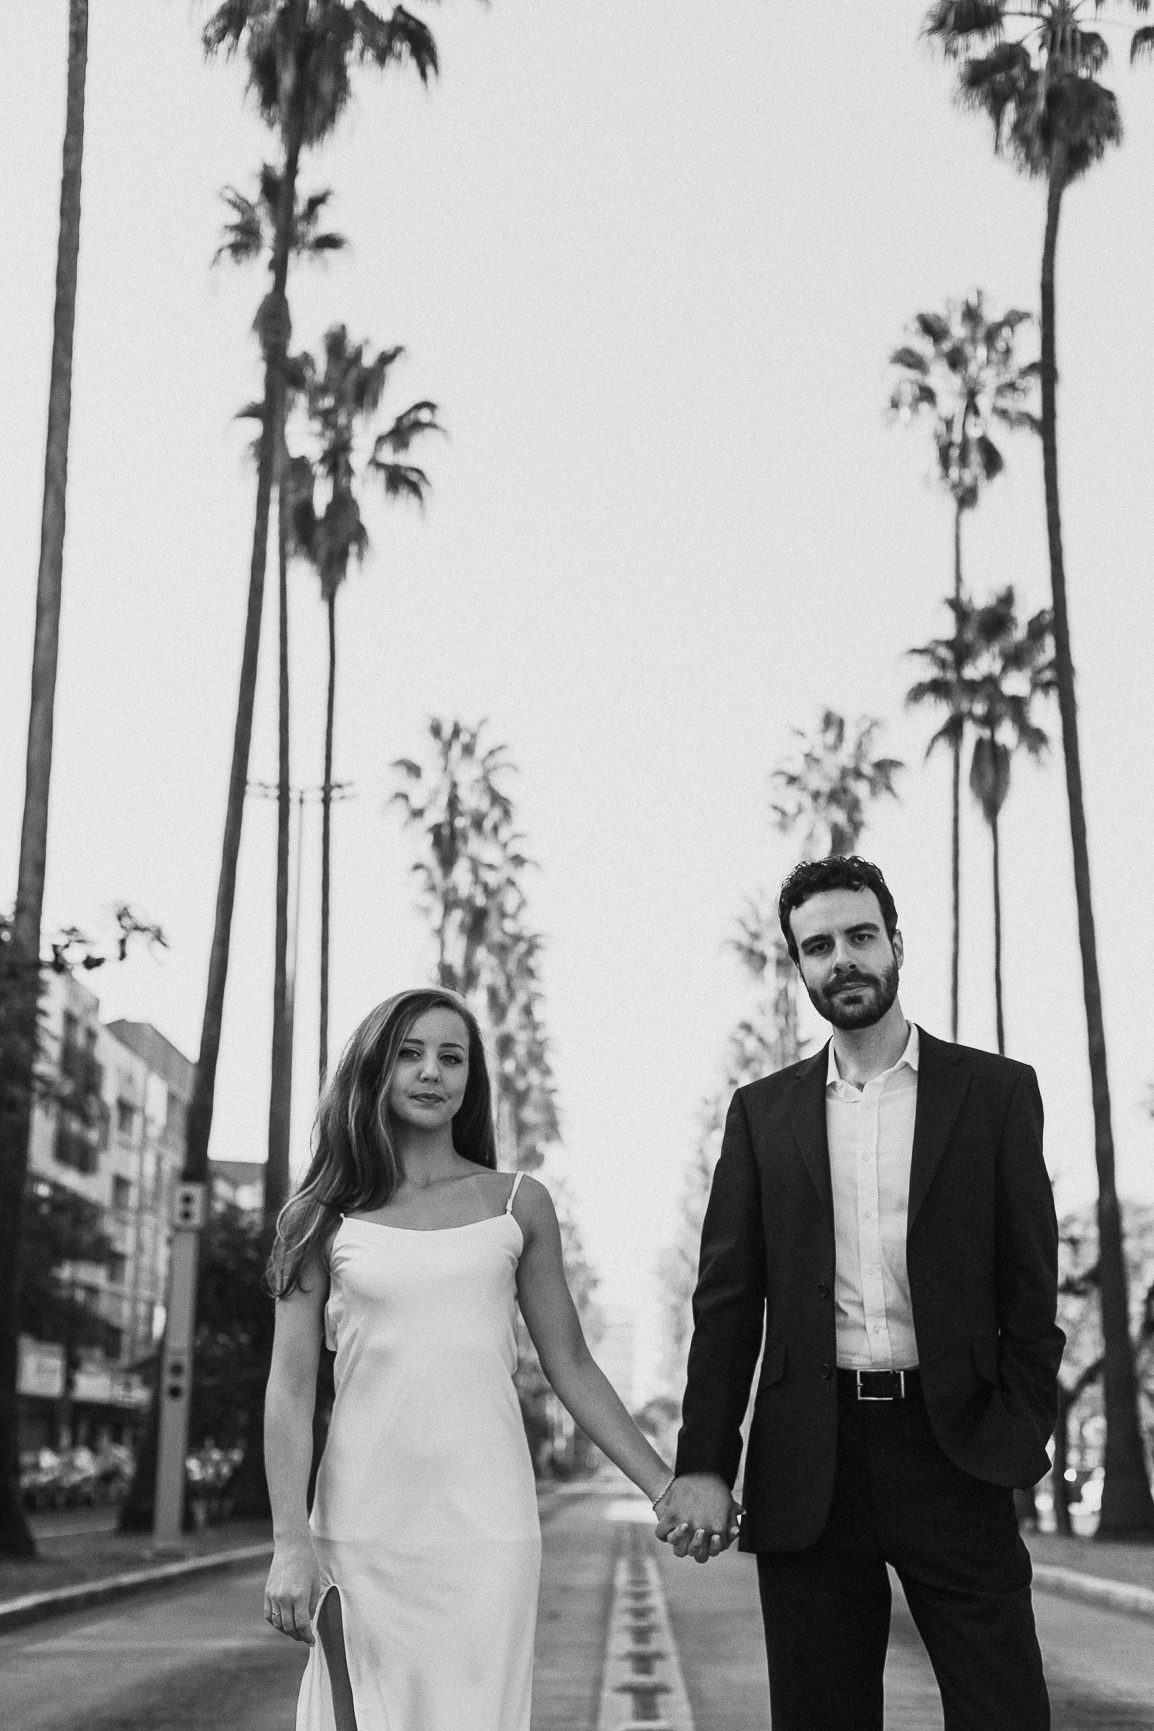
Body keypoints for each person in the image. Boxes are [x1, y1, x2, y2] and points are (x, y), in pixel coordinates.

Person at [657, 856, 1063, 1730]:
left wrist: (1019, 1423)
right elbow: (726, 1302)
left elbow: (1033, 1288)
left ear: (895, 945)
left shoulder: (994, 1093)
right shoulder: (762, 1114)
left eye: (859, 936)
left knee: (1006, 1712)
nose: (842, 958)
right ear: (799, 966)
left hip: (956, 1448)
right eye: (818, 945)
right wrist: (703, 1460)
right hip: (811, 1460)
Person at [262, 986, 689, 1731]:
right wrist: (289, 1541)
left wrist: (662, 1484)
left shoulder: (518, 1202)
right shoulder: (320, 1216)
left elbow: (573, 1365)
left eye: (451, 1057)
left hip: (490, 1529)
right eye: (411, 1053)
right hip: (362, 1530)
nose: (433, 1072)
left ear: (470, 1078)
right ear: (375, 1069)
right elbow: (290, 1391)